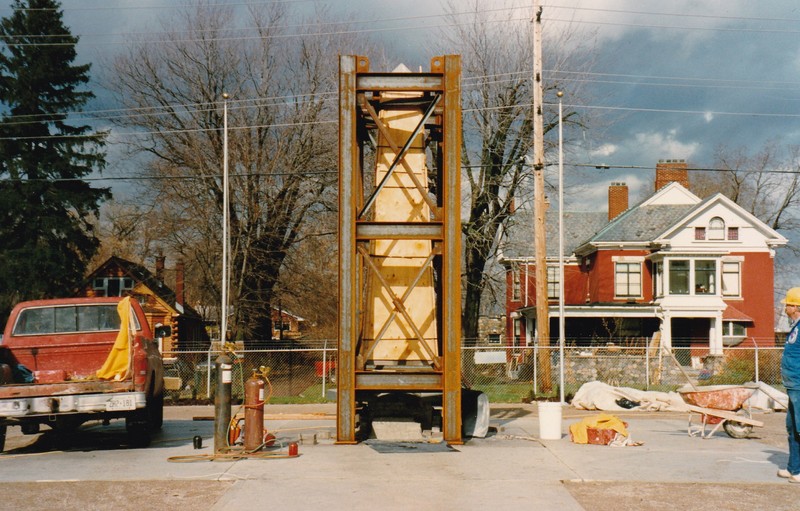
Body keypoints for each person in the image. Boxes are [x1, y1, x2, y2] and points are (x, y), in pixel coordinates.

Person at [779, 287, 800, 482]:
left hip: (799, 385)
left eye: (787, 305)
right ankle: (794, 468)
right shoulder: (796, 327)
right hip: (793, 385)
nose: (785, 308)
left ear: (795, 307)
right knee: (792, 427)